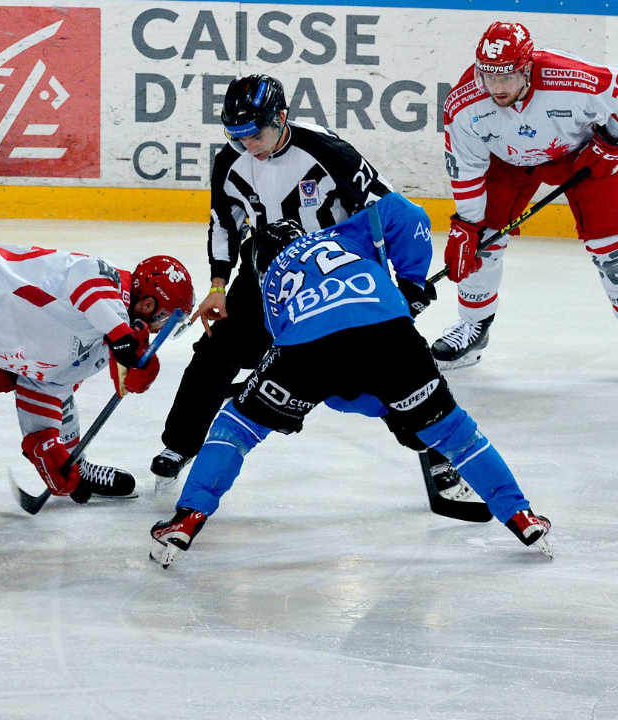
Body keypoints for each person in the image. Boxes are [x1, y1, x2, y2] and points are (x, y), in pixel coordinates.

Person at [148, 193, 552, 569]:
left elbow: (333, 388)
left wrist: (289, 407)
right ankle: (522, 517)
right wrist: (410, 285)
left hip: (307, 349)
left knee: (235, 427)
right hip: (392, 334)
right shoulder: (337, 237)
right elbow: (406, 213)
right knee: (456, 433)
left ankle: (187, 518)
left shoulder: (271, 283)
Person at [150, 74, 470, 503]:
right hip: (268, 280)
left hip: (336, 283)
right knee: (215, 352)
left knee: (383, 371)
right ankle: (180, 444)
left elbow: (390, 215)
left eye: (256, 133)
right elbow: (223, 223)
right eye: (236, 135)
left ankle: (438, 450)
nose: (247, 144)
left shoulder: (326, 151)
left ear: (281, 117)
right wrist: (218, 284)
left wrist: (405, 285)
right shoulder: (230, 162)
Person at [434, 21, 618, 379]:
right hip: (507, 163)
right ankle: (472, 326)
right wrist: (467, 225)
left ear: (527, 67)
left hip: (579, 158)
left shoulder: (570, 79)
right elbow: (466, 166)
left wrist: (613, 142)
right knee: (480, 243)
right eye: (488, 75)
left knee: (613, 246)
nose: (496, 88)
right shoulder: (464, 103)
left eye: (507, 77)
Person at [0, 240, 194, 502]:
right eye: (165, 320)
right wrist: (123, 339)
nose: (160, 331)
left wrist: (44, 446)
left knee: (54, 397)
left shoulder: (99, 349)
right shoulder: (107, 279)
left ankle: (76, 462)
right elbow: (86, 280)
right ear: (148, 305)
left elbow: (44, 386)